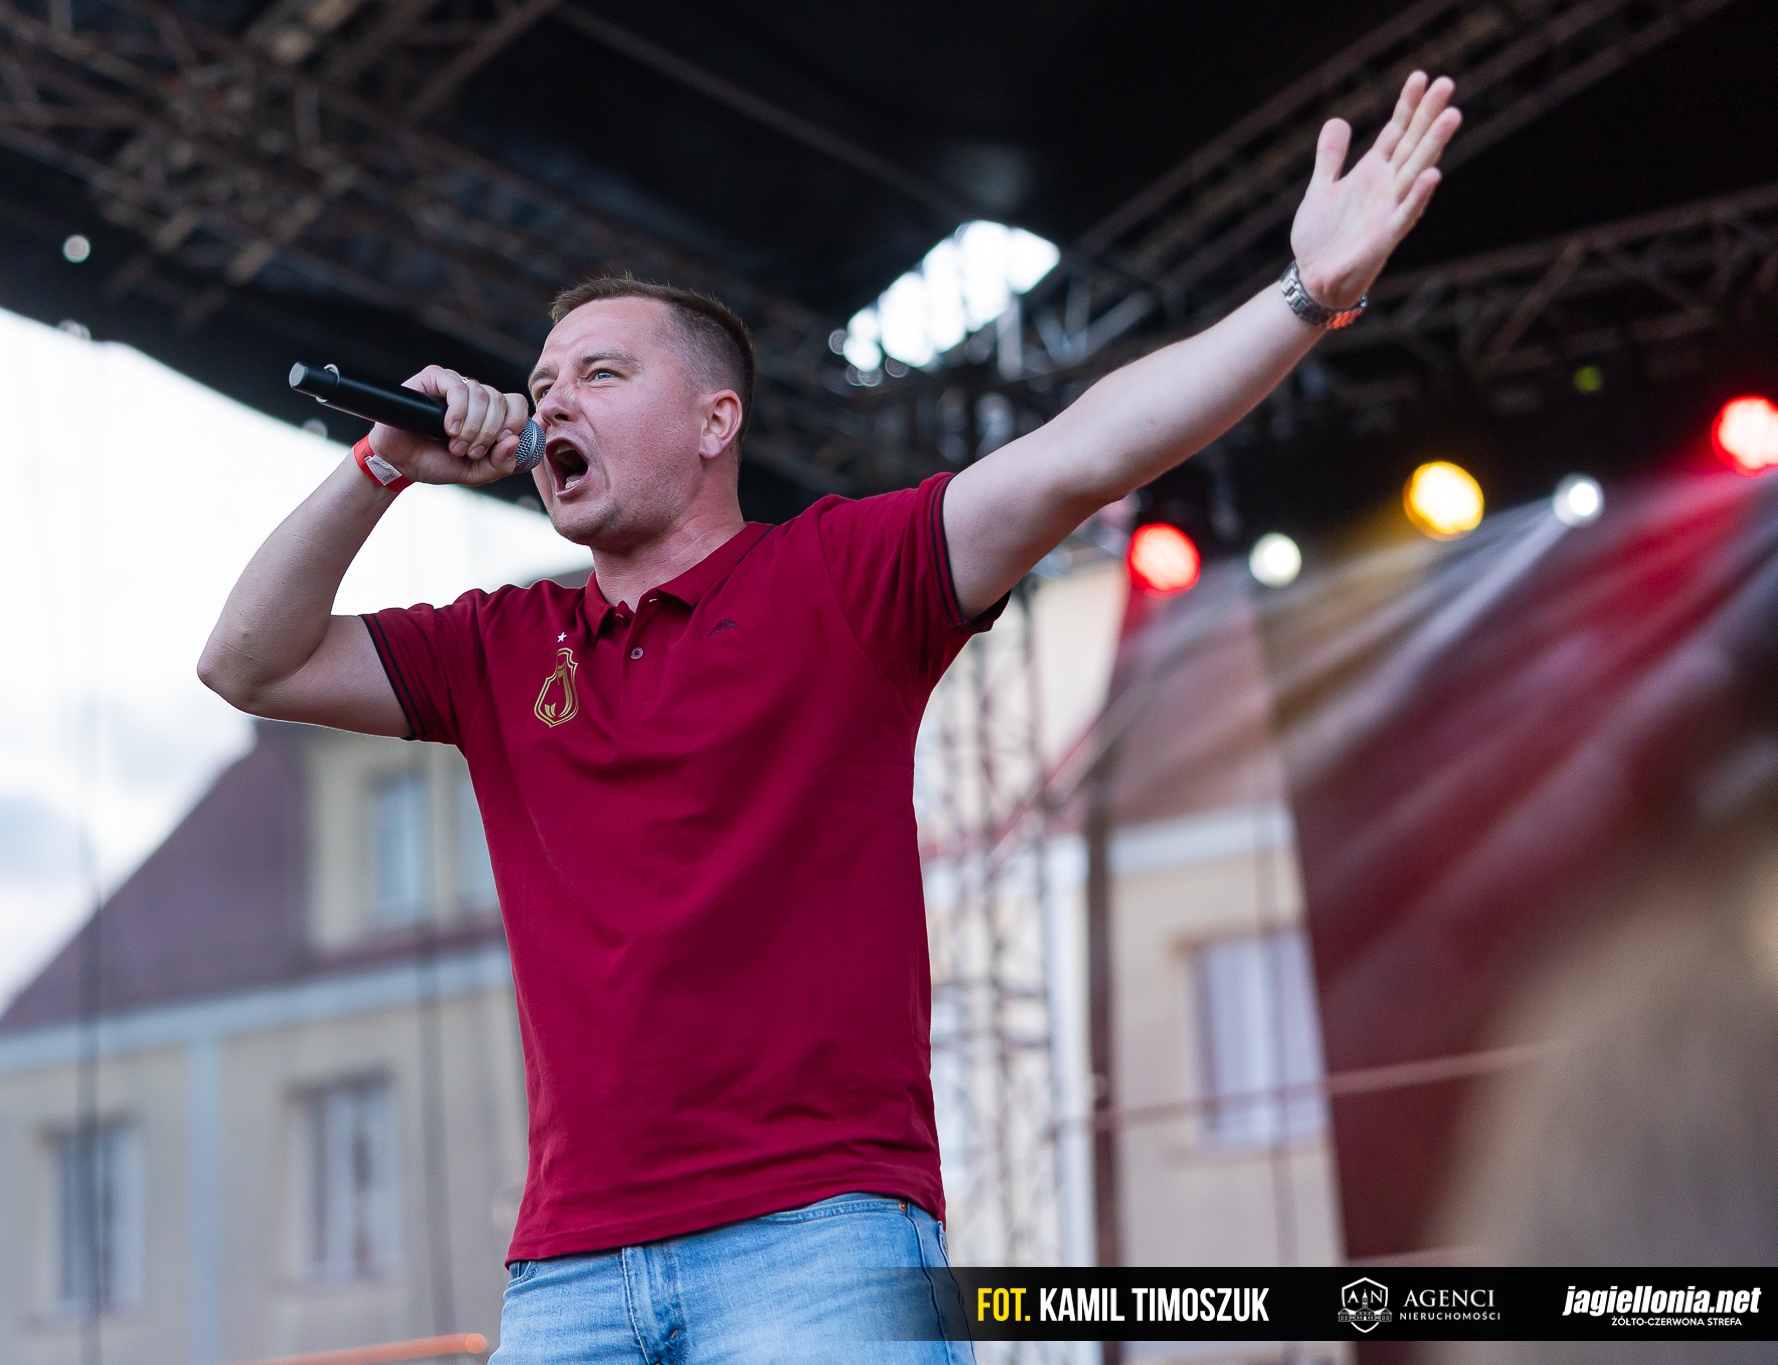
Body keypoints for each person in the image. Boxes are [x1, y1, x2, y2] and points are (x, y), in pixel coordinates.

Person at [199, 71, 1462, 1365]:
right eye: (543, 380)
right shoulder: (498, 645)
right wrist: (379, 464)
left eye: (602, 372)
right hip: (571, 1263)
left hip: (817, 1235)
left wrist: (1305, 296)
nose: (553, 400)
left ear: (716, 420)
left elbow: (1085, 452)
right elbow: (247, 660)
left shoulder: (845, 575)